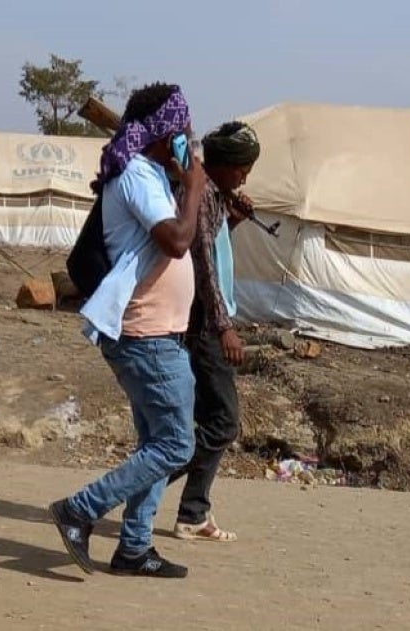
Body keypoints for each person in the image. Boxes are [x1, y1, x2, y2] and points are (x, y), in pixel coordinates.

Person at [48, 82, 207, 578]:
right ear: (163, 131)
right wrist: (197, 184)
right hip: (145, 335)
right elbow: (177, 241)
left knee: (155, 443)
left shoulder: (155, 175)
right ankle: (80, 509)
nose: (188, 133)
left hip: (158, 333)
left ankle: (134, 547)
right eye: (181, 125)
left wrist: (184, 182)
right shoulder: (137, 174)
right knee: (177, 445)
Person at [167, 121, 261, 542]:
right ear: (222, 165)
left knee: (209, 420)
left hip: (208, 321)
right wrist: (224, 327)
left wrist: (233, 218)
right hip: (205, 324)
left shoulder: (212, 197)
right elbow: (204, 265)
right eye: (242, 168)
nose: (245, 177)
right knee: (222, 423)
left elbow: (214, 244)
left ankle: (193, 511)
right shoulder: (202, 193)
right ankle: (141, 483)